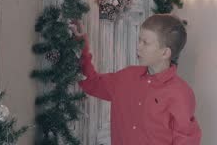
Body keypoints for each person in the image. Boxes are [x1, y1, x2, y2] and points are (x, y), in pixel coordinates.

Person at [70, 14, 202, 145]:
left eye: (145, 43)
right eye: (139, 40)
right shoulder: (126, 77)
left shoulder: (180, 94)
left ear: (165, 53)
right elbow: (93, 83)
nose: (138, 46)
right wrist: (81, 45)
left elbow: (186, 140)